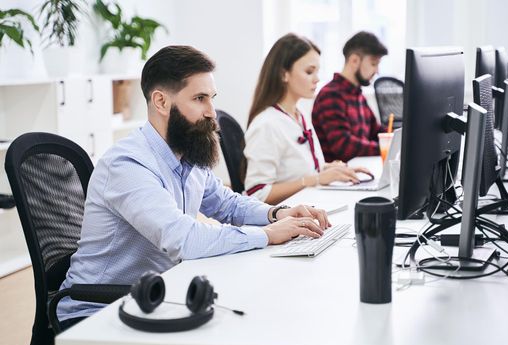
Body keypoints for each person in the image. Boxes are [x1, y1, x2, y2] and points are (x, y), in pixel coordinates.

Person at [57, 45, 330, 327]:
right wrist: (268, 234)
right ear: (161, 102)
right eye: (200, 99)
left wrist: (277, 214)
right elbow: (184, 240)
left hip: (154, 297)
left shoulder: (186, 153)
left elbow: (227, 203)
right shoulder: (127, 165)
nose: (212, 112)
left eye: (211, 98)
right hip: (97, 313)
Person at [244, 33, 371, 205]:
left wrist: (336, 170)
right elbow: (257, 194)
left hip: (309, 206)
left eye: (317, 71)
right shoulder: (267, 125)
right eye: (309, 71)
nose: (317, 78)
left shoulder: (299, 115)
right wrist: (315, 179)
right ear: (284, 74)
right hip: (286, 221)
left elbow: (299, 169)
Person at [312, 31, 388, 162]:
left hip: (357, 171)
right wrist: (385, 148)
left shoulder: (357, 94)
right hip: (338, 178)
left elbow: (375, 131)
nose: (377, 71)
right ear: (354, 60)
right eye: (373, 64)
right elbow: (344, 146)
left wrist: (399, 139)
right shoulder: (331, 95)